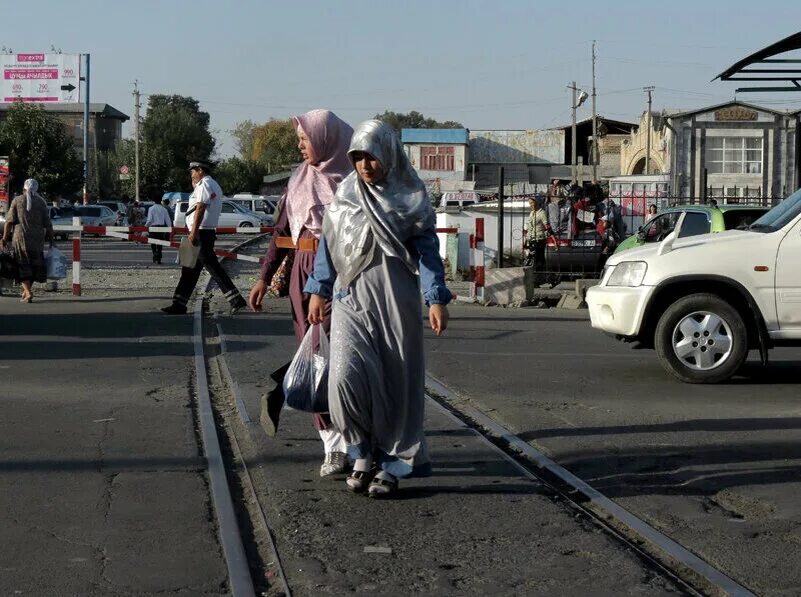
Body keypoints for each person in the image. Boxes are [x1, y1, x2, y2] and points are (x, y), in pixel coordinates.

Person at [306, 119, 452, 498]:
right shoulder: (346, 194)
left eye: (371, 157)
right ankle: (359, 450)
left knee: (395, 381)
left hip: (394, 298)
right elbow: (328, 244)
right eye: (357, 158)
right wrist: (318, 290)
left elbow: (428, 252)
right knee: (344, 379)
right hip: (349, 297)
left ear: (387, 153)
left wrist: (435, 297)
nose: (365, 166)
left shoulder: (410, 194)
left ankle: (391, 462)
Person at [248, 109, 354, 477]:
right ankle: (331, 444)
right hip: (304, 278)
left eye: (305, 139)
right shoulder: (298, 181)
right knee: (314, 353)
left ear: (327, 139)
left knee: (343, 358)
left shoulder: (353, 182)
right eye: (300, 140)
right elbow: (281, 233)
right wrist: (264, 277)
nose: (301, 146)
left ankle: (286, 391)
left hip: (346, 278)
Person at [161, 160, 247, 315]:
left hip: (200, 232)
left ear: (200, 170)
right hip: (201, 232)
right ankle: (179, 304)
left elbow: (200, 207)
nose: (191, 174)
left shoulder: (205, 184)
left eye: (192, 171)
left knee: (212, 268)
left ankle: (236, 299)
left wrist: (193, 233)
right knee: (189, 269)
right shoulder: (209, 184)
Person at [0, 179, 53, 303]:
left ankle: (28, 292)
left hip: (20, 239)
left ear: (24, 188)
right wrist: (51, 240)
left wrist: (4, 238)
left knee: (22, 265)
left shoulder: (17, 200)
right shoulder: (41, 203)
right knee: (34, 266)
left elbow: (9, 222)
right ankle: (26, 291)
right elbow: (48, 225)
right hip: (37, 241)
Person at [524, 197, 549, 271]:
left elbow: (546, 226)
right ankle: (537, 273)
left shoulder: (542, 213)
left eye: (532, 203)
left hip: (540, 238)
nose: (530, 205)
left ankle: (542, 273)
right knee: (533, 258)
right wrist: (526, 238)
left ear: (537, 202)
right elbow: (529, 227)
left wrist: (548, 234)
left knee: (539, 258)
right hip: (532, 238)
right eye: (529, 203)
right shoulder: (532, 213)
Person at [145, 197, 172, 264]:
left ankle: (154, 255)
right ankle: (159, 257)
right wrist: (169, 230)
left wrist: (145, 227)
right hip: (161, 228)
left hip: (153, 228)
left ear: (154, 201)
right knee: (160, 243)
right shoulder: (164, 209)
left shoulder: (151, 209)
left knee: (153, 243)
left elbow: (149, 220)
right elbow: (168, 221)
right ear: (160, 201)